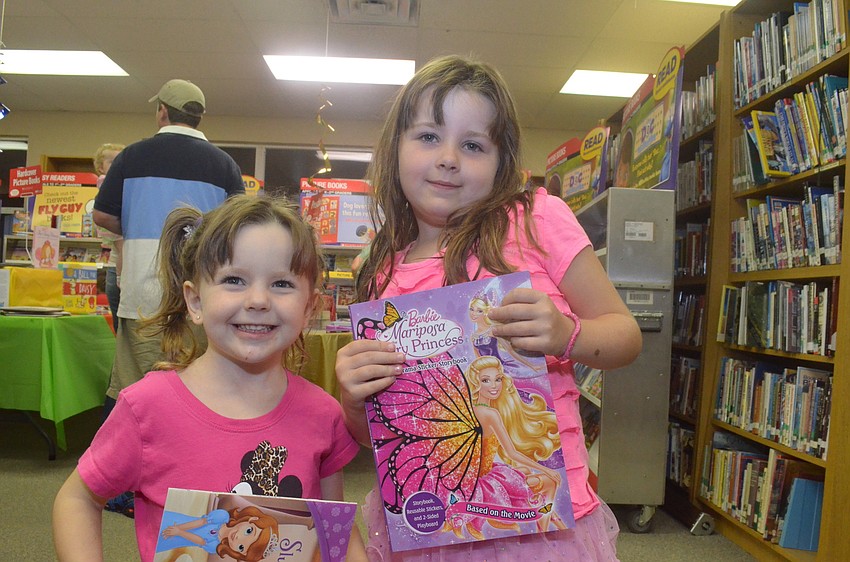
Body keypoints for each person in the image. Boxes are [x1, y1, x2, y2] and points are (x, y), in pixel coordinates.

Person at [334, 55, 642, 561]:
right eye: (428, 136)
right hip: (429, 524)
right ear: (395, 150)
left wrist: (566, 334)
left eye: (473, 145)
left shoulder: (536, 220)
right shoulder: (381, 272)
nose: (449, 158)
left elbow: (625, 335)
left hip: (541, 527)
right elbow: (374, 436)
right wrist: (352, 397)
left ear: (502, 162)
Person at [53, 195, 366, 562]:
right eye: (234, 280)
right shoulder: (147, 407)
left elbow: (334, 534)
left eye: (281, 284)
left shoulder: (323, 414)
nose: (258, 300)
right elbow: (78, 498)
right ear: (195, 301)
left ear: (309, 307)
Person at [92, 78, 244, 419]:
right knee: (196, 386)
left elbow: (102, 214)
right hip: (200, 299)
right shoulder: (224, 165)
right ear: (198, 117)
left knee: (132, 391)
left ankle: (123, 451)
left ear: (162, 111)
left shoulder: (131, 156)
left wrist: (136, 228)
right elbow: (237, 230)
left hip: (142, 296)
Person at [446, 355, 567, 540]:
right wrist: (546, 470)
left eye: (498, 379)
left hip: (475, 478)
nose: (494, 385)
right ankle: (543, 534)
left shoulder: (468, 410)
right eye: (486, 380)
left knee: (525, 473)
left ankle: (554, 525)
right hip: (485, 483)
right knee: (549, 481)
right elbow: (512, 453)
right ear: (476, 383)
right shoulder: (489, 413)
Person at [468, 292, 547, 374]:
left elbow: (510, 350)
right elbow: (478, 359)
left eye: (479, 311)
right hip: (488, 373)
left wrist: (531, 366)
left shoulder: (493, 330)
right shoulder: (473, 336)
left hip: (501, 369)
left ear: (485, 312)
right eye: (471, 309)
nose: (473, 313)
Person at [93, 142, 125, 331]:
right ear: (100, 167)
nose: (117, 166)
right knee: (122, 247)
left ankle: (121, 277)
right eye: (112, 162)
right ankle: (122, 278)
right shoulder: (106, 181)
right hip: (113, 227)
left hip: (113, 229)